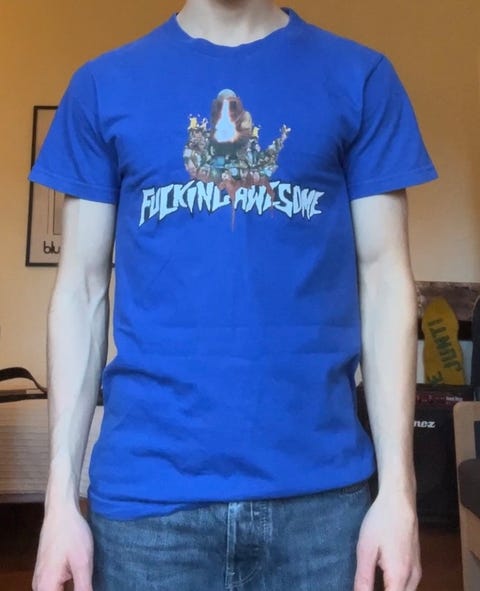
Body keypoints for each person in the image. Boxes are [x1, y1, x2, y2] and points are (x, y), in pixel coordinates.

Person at [30, 1, 438, 590]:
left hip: (321, 505)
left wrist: (400, 493)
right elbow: (80, 289)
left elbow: (386, 283)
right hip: (148, 507)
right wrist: (59, 499)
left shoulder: (361, 77)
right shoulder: (102, 85)